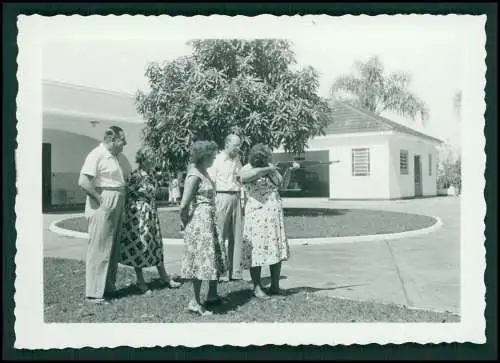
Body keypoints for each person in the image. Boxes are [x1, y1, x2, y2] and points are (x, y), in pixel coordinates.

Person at [78, 126, 132, 304]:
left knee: (112, 247)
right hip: (104, 200)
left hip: (118, 199)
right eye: (122, 140)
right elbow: (84, 181)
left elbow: (127, 177)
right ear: (111, 138)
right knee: (99, 246)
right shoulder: (97, 154)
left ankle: (108, 287)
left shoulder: (118, 157)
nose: (124, 143)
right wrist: (100, 199)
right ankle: (94, 292)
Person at [239, 143, 300, 299]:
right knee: (257, 251)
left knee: (275, 249)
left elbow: (282, 186)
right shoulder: (247, 168)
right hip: (257, 215)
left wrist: (289, 172)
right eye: (263, 157)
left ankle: (275, 285)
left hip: (273, 214)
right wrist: (269, 169)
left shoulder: (270, 168)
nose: (265, 160)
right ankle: (257, 287)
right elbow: (244, 177)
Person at [119, 146, 182, 294]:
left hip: (151, 213)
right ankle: (140, 280)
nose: (154, 160)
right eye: (151, 158)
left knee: (156, 245)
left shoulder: (152, 176)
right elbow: (128, 195)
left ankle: (164, 276)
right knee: (140, 244)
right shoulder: (135, 175)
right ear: (143, 159)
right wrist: (133, 213)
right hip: (138, 214)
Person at [179, 141, 228, 316]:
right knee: (200, 261)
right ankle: (195, 301)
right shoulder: (194, 175)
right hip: (200, 221)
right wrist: (185, 223)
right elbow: (184, 204)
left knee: (210, 258)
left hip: (209, 219)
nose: (214, 157)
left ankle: (211, 296)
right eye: (211, 155)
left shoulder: (205, 172)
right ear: (203, 156)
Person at [207, 134, 244, 281]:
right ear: (227, 144)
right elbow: (211, 182)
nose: (238, 148)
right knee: (220, 235)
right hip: (221, 197)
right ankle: (221, 272)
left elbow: (240, 178)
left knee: (236, 235)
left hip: (236, 196)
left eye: (239, 145)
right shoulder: (216, 160)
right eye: (236, 145)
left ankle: (235, 271)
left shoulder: (237, 160)